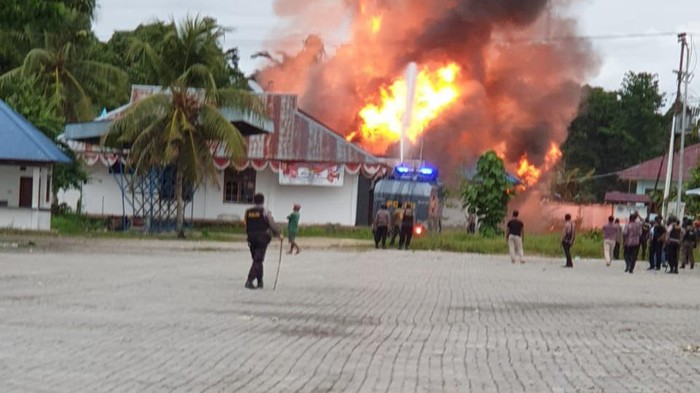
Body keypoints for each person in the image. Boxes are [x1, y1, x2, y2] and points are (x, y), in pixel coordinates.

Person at [244, 193, 282, 290]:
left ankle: (260, 281)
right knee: (258, 259)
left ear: (254, 201)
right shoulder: (265, 211)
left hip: (251, 237)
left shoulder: (248, 212)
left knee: (257, 259)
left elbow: (246, 224)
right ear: (263, 201)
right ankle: (250, 280)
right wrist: (278, 234)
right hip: (262, 237)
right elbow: (271, 224)